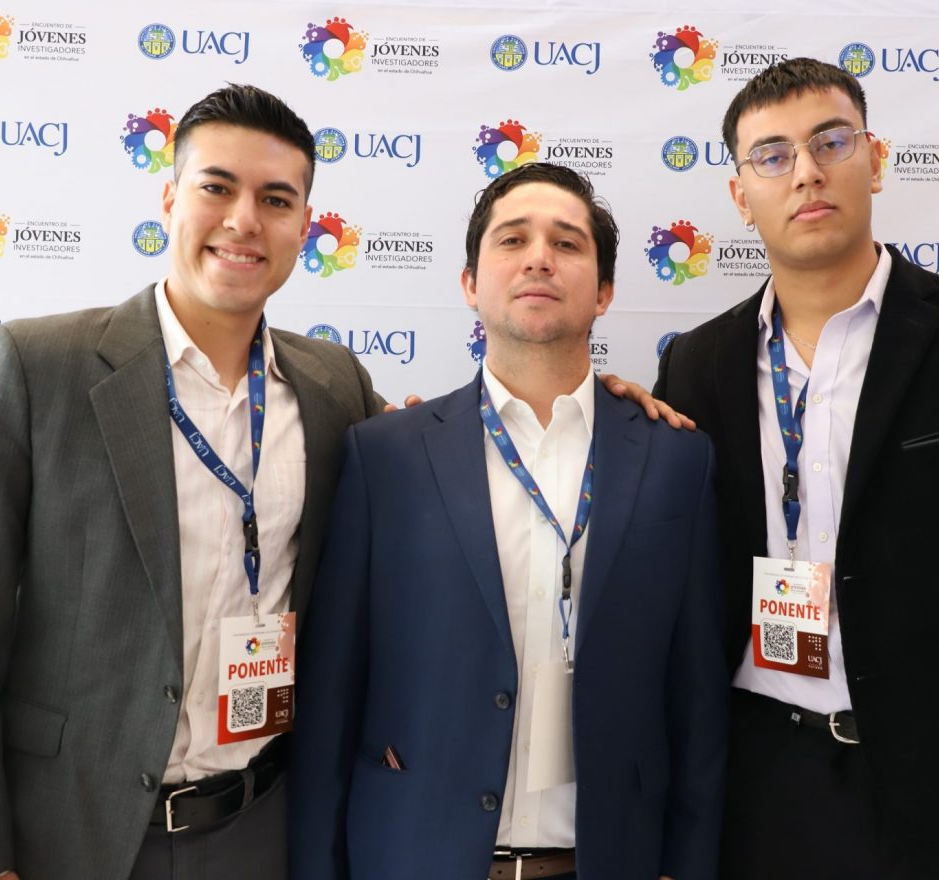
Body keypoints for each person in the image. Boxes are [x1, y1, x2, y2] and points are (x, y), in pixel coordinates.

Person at [0, 84, 387, 880]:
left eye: (275, 199)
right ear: (169, 199)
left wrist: (595, 405)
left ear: (305, 226)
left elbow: (439, 466)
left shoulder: (334, 385)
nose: (243, 221)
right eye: (217, 187)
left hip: (264, 829)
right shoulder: (38, 367)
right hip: (70, 837)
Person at [653, 58, 939, 880]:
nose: (806, 172)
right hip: (757, 795)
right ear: (740, 195)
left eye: (831, 142)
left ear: (875, 158)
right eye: (773, 155)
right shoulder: (696, 364)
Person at [288, 163, 729, 880]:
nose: (539, 258)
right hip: (413, 858)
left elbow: (698, 698)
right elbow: (332, 693)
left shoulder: (677, 459)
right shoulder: (385, 456)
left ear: (605, 291)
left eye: (567, 243)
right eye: (513, 239)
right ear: (470, 282)